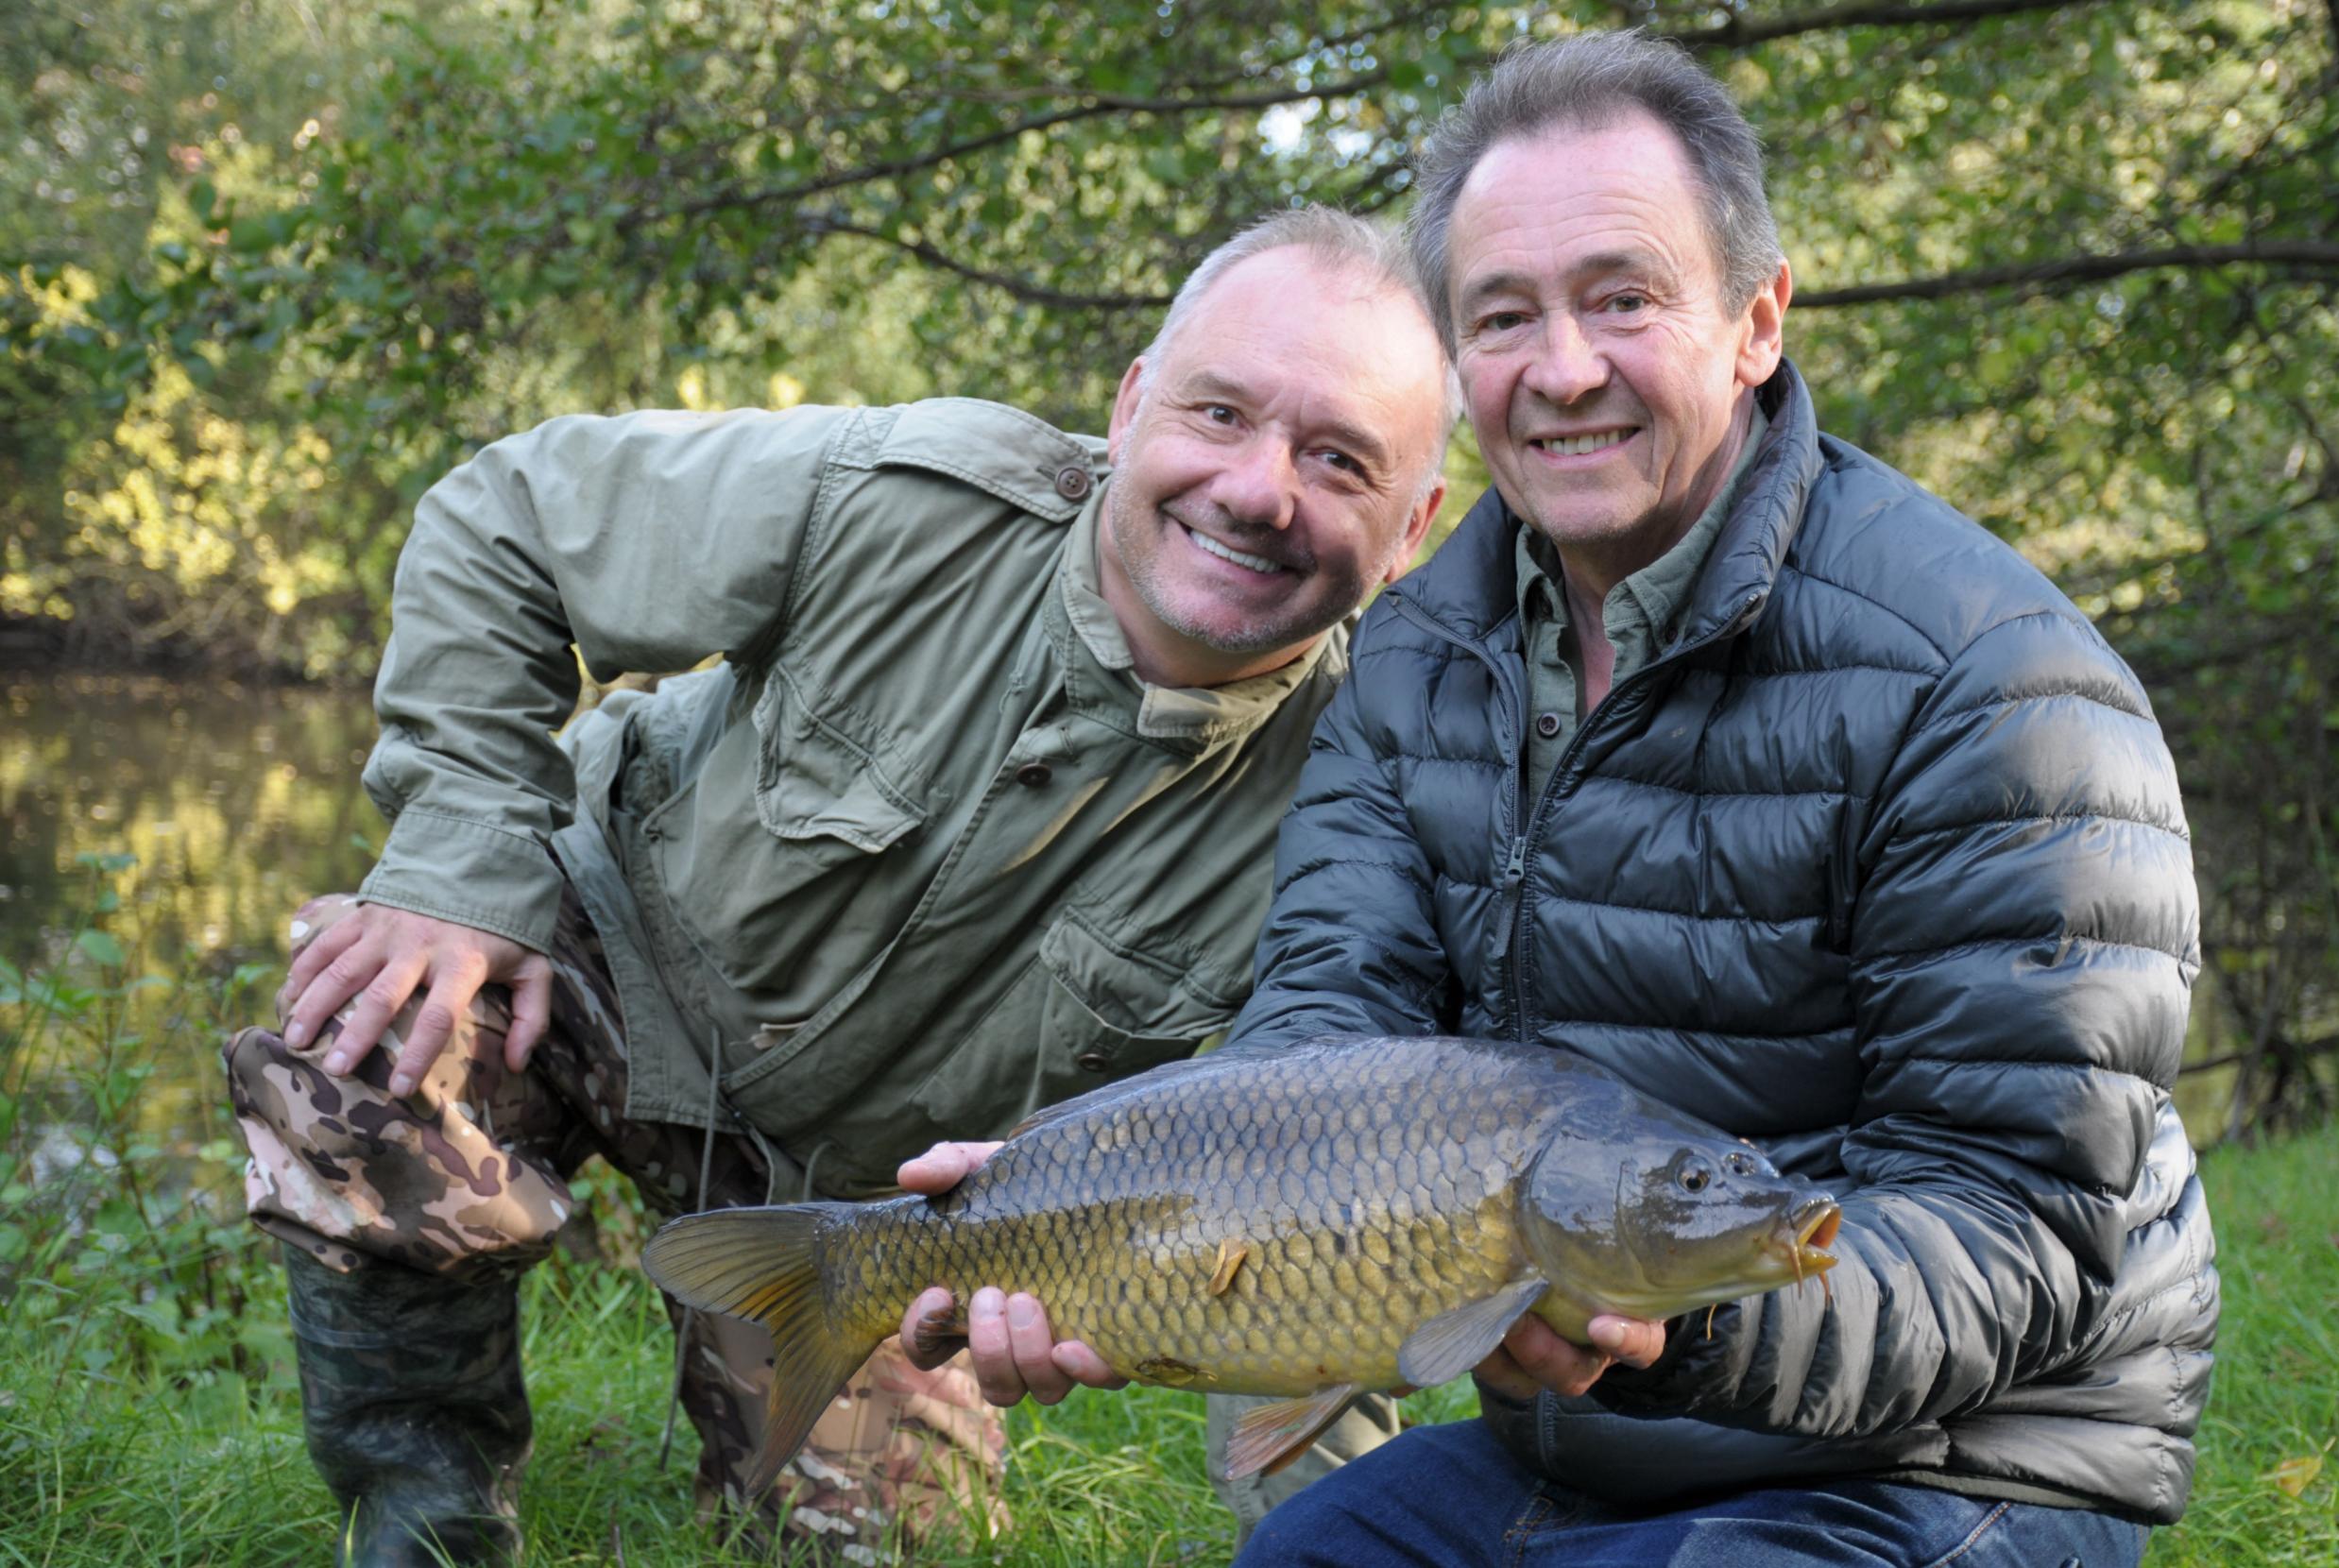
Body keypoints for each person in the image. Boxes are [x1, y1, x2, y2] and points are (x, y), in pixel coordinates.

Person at [219, 206, 1454, 1566]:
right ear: (1131, 401)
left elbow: (1327, 1198)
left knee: (879, 1548)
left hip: (877, 1198)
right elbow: (506, 518)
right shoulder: (898, 493)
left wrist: (1344, 1531)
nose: (1259, 488)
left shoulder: (1368, 796)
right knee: (372, 1042)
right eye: (1221, 414)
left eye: (1339, 459)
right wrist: (460, 871)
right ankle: (423, 1515)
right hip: (607, 954)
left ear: (1412, 530)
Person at [1156, 31, 2213, 1565]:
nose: (1564, 367)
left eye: (1623, 298)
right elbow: (1325, 1056)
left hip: (1961, 1455)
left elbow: (2023, 1228)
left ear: (1756, 322)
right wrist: (1099, 1213)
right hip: (1588, 1445)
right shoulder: (1413, 658)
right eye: (1504, 315)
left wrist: (1671, 1327)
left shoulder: (1992, 683)